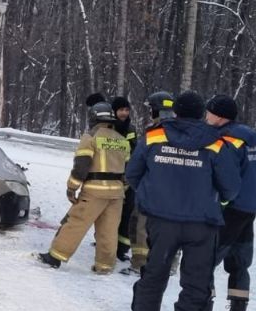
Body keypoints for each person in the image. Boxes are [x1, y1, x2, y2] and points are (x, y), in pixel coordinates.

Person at [125, 89, 240, 311]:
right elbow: (231, 189)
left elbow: (132, 174)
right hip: (202, 224)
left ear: (175, 112)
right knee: (195, 281)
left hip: (161, 220)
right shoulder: (218, 142)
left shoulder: (155, 135)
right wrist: (216, 202)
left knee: (155, 271)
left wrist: (151, 197)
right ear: (202, 115)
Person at [37, 101, 131, 274]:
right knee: (109, 231)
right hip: (117, 195)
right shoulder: (122, 140)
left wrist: (72, 187)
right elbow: (128, 171)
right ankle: (105, 266)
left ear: (94, 117)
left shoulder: (90, 137)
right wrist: (121, 188)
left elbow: (82, 165)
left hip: (94, 192)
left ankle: (55, 257)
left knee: (76, 224)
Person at [203, 94, 256, 311]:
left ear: (219, 116)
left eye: (209, 113)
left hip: (231, 207)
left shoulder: (226, 140)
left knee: (206, 259)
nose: (206, 116)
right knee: (239, 261)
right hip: (250, 206)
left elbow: (225, 177)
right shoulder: (249, 137)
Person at [121, 91, 175, 274]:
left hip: (151, 192)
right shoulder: (184, 133)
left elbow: (135, 167)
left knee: (140, 226)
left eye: (151, 109)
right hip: (175, 194)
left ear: (156, 111)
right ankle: (170, 265)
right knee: (171, 230)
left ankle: (139, 264)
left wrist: (140, 187)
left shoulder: (155, 134)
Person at [111, 95, 138, 262]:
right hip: (111, 175)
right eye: (121, 110)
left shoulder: (131, 129)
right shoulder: (108, 127)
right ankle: (107, 241)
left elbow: (134, 152)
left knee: (127, 213)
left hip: (127, 177)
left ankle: (121, 249)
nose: (124, 113)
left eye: (127, 110)